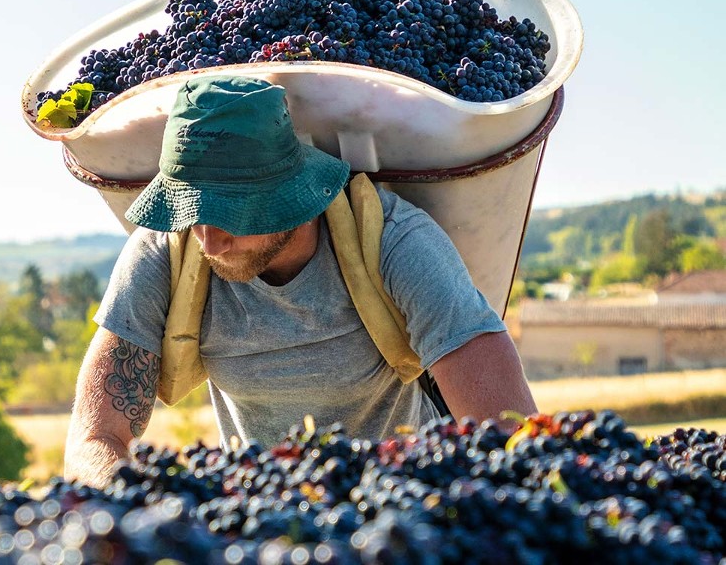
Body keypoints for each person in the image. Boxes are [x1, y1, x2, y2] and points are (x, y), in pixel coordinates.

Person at [65, 75, 537, 487]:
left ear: (288, 196)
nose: (209, 243)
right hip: (265, 521)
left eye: (229, 215)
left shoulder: (396, 241)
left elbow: (508, 429)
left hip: (398, 512)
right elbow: (97, 436)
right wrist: (116, 516)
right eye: (190, 214)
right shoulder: (165, 256)